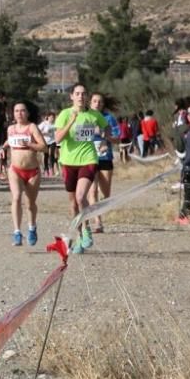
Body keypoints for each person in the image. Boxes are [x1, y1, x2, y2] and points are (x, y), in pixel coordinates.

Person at [55, 83, 110, 254]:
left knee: (81, 197)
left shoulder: (94, 115)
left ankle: (87, 230)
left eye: (83, 93)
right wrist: (71, 121)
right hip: (68, 161)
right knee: (73, 204)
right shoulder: (64, 114)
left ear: (86, 97)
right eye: (77, 93)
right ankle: (79, 237)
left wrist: (103, 142)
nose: (81, 96)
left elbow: (106, 128)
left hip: (88, 159)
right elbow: (58, 139)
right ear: (71, 96)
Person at [0, 101, 46, 246]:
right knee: (17, 197)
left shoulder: (32, 127)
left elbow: (44, 147)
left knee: (30, 203)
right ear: (12, 114)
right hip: (15, 170)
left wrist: (31, 145)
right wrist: (3, 148)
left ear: (28, 113)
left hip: (32, 171)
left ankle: (32, 228)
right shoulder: (11, 128)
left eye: (22, 111)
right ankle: (17, 232)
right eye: (16, 111)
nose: (19, 113)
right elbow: (9, 141)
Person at [87, 93, 120, 233]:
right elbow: (76, 136)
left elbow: (117, 139)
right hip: (88, 157)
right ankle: (98, 222)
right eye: (94, 101)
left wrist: (106, 136)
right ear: (90, 103)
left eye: (100, 102)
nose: (97, 104)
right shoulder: (85, 117)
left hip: (105, 158)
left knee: (106, 193)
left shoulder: (109, 119)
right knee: (92, 190)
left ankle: (100, 206)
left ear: (103, 104)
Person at [38, 111, 57, 177]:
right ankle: (46, 170)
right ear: (48, 117)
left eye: (53, 117)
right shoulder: (44, 124)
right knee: (46, 156)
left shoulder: (55, 124)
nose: (52, 119)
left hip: (53, 141)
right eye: (51, 117)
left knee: (51, 154)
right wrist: (44, 133)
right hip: (45, 142)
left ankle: (52, 170)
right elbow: (37, 131)